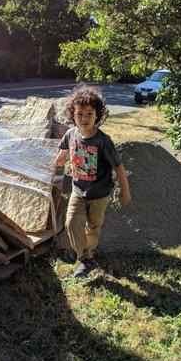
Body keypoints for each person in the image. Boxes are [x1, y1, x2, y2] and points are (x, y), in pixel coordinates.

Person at [55, 84, 131, 277]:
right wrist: (61, 157)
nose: (85, 118)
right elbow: (65, 147)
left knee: (93, 226)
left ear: (98, 114)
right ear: (73, 115)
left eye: (90, 113)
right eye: (80, 114)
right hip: (78, 190)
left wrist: (125, 190)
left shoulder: (103, 141)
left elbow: (118, 167)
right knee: (71, 223)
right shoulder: (71, 134)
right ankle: (85, 259)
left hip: (100, 194)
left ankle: (88, 255)